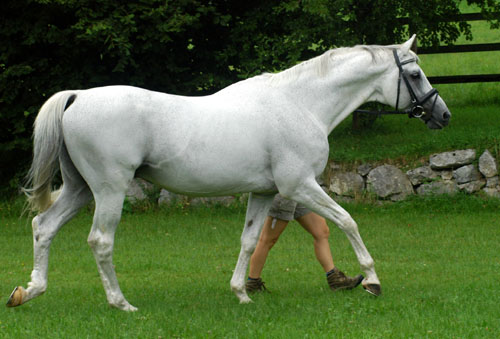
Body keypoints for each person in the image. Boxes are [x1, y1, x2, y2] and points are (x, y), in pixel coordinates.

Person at [246, 194, 363, 292]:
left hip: (299, 191)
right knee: (268, 239)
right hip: (284, 193)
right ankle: (253, 283)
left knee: (321, 232)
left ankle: (335, 279)